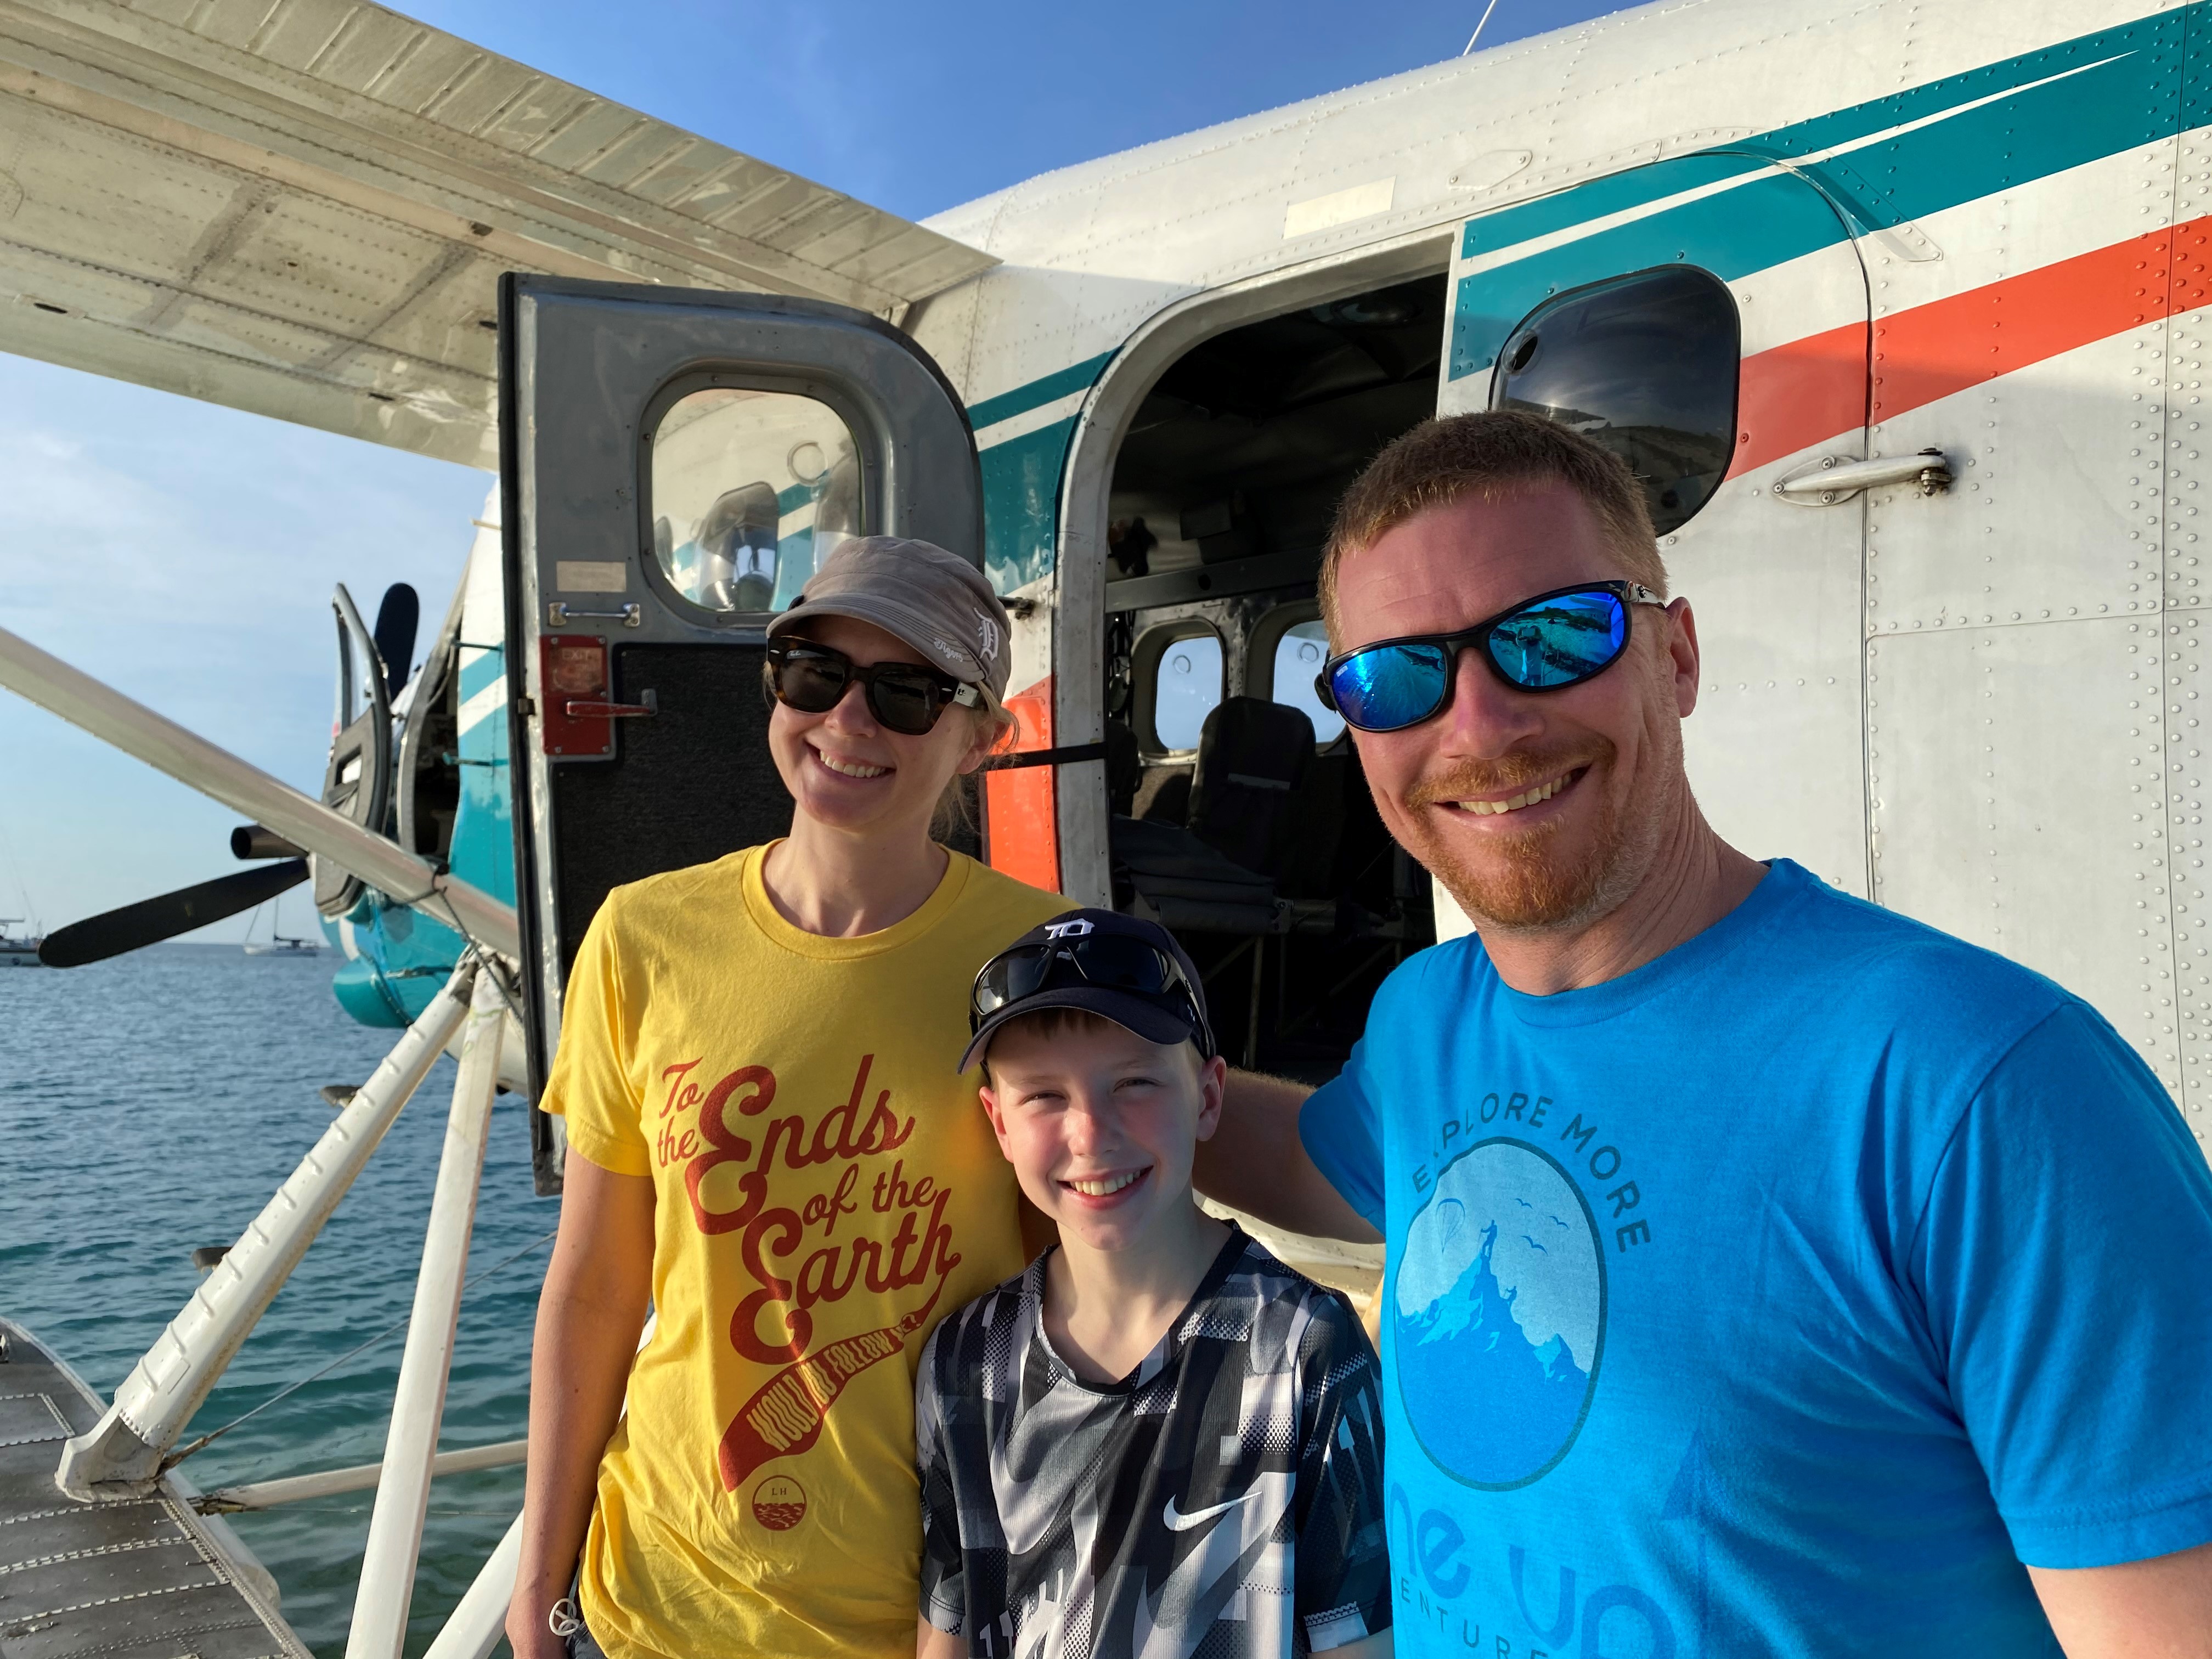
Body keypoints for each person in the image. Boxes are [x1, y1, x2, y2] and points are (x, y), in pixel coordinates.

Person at [1195, 411, 2212, 1656]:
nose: (1478, 727)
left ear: (1676, 656)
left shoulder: (1981, 1088)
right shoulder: (1426, 1021)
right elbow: (1322, 1166)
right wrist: (1067, 1059)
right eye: (1400, 676)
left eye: (1555, 635)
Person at [507, 537, 1073, 1658]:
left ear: (980, 740)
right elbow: (598, 1284)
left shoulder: (1042, 959)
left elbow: (1089, 1293)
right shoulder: (639, 936)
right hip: (657, 1597)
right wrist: (540, 1574)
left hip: (929, 1615)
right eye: (815, 673)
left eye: (908, 694)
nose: (849, 722)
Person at [915, 910, 1392, 1659]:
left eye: (1134, 1082)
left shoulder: (1306, 1354)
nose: (1091, 1133)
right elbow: (948, 1627)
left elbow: (1359, 1641)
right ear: (999, 1124)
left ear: (1207, 1098)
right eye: (1043, 1096)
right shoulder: (967, 1360)